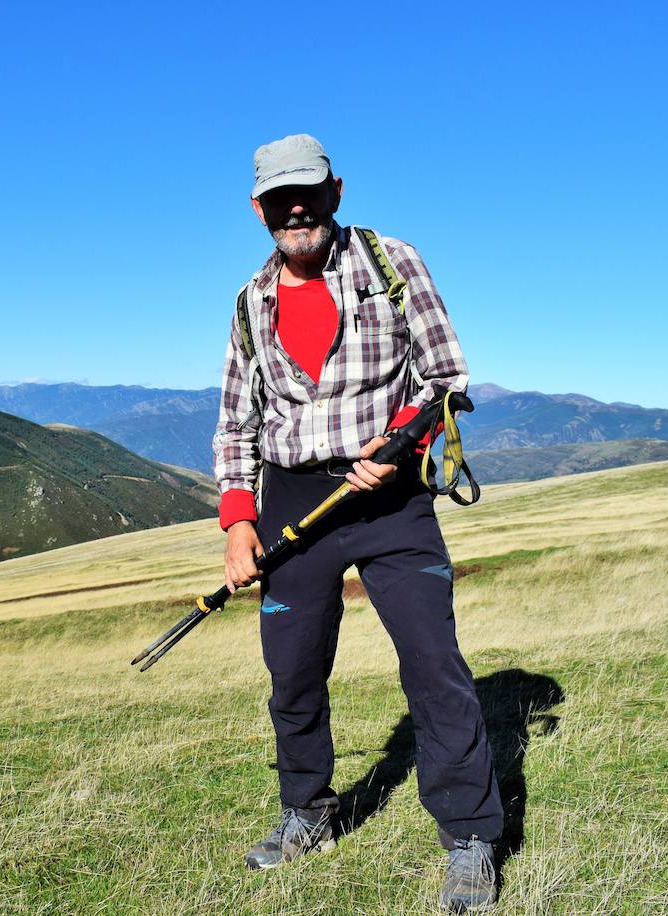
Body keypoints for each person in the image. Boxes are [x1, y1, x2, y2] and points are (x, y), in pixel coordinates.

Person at [212, 134, 504, 911]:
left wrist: (402, 440)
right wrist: (239, 524)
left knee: (433, 665)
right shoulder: (249, 303)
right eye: (279, 199)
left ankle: (472, 838)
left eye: (307, 192)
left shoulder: (392, 264)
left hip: (392, 500)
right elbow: (236, 426)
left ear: (335, 191)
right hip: (291, 506)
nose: (295, 208)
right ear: (259, 209)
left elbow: (448, 379)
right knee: (294, 673)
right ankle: (307, 813)